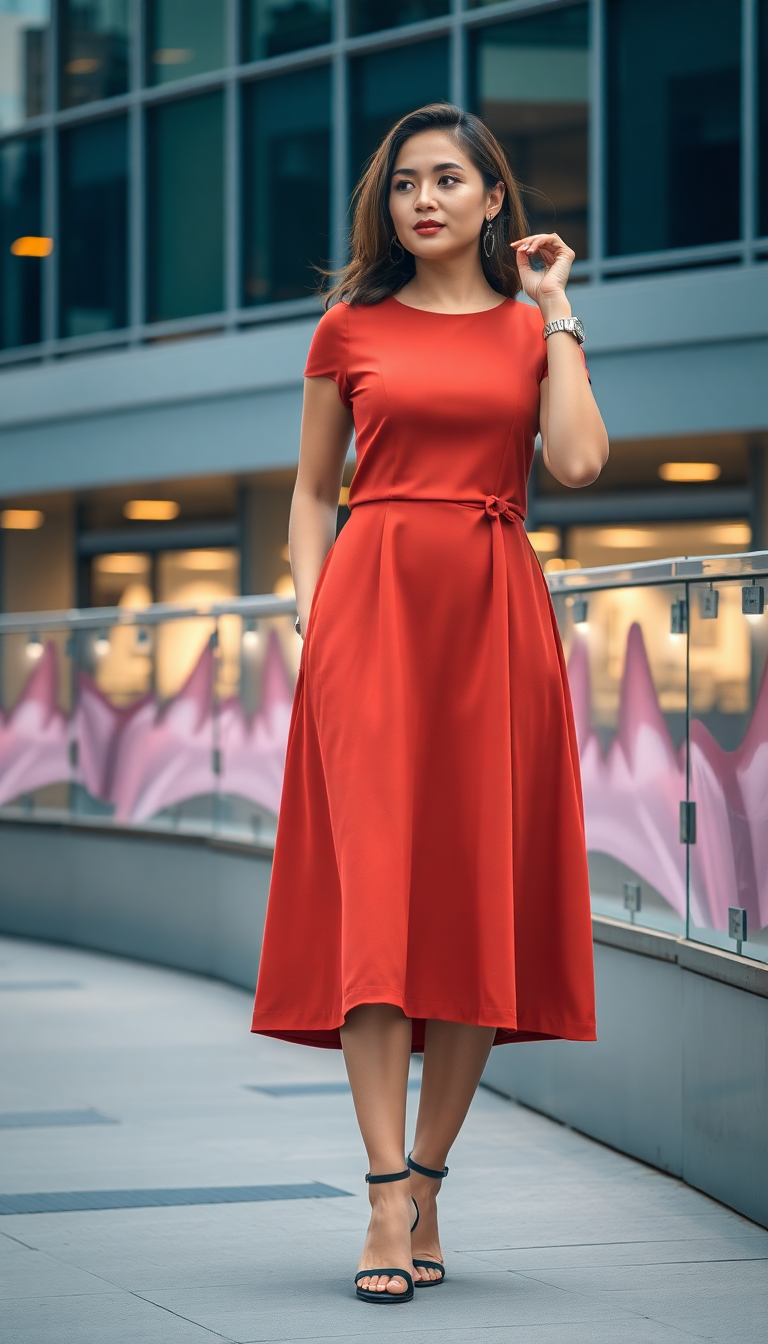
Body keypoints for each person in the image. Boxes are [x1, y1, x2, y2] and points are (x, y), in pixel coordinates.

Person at [251, 102, 609, 1304]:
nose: (425, 200)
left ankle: (431, 1180)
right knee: (377, 909)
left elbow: (575, 464)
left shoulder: (527, 330)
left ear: (494, 199)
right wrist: (318, 611)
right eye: (406, 183)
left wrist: (560, 312)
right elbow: (309, 493)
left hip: (495, 625)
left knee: (471, 907)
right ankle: (380, 1195)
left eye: (450, 180)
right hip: (374, 619)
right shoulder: (346, 326)